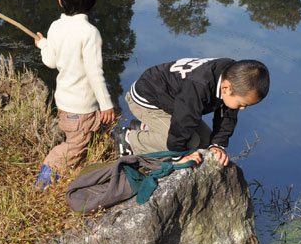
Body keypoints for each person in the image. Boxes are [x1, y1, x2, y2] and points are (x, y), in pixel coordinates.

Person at [34, 0, 115, 190]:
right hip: (81, 109)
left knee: (82, 145)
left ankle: (75, 180)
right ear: (94, 1)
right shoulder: (90, 33)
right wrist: (106, 104)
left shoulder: (55, 26)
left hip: (64, 104)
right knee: (73, 149)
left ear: (60, 0)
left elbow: (51, 61)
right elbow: (95, 73)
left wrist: (43, 45)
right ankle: (43, 182)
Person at [114, 58, 269, 166]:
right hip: (147, 101)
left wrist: (218, 144)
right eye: (242, 104)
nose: (243, 108)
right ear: (226, 88)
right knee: (190, 142)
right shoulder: (198, 86)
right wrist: (178, 155)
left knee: (206, 142)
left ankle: (150, 129)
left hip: (176, 103)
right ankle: (128, 139)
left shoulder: (232, 76)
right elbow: (183, 121)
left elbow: (227, 114)